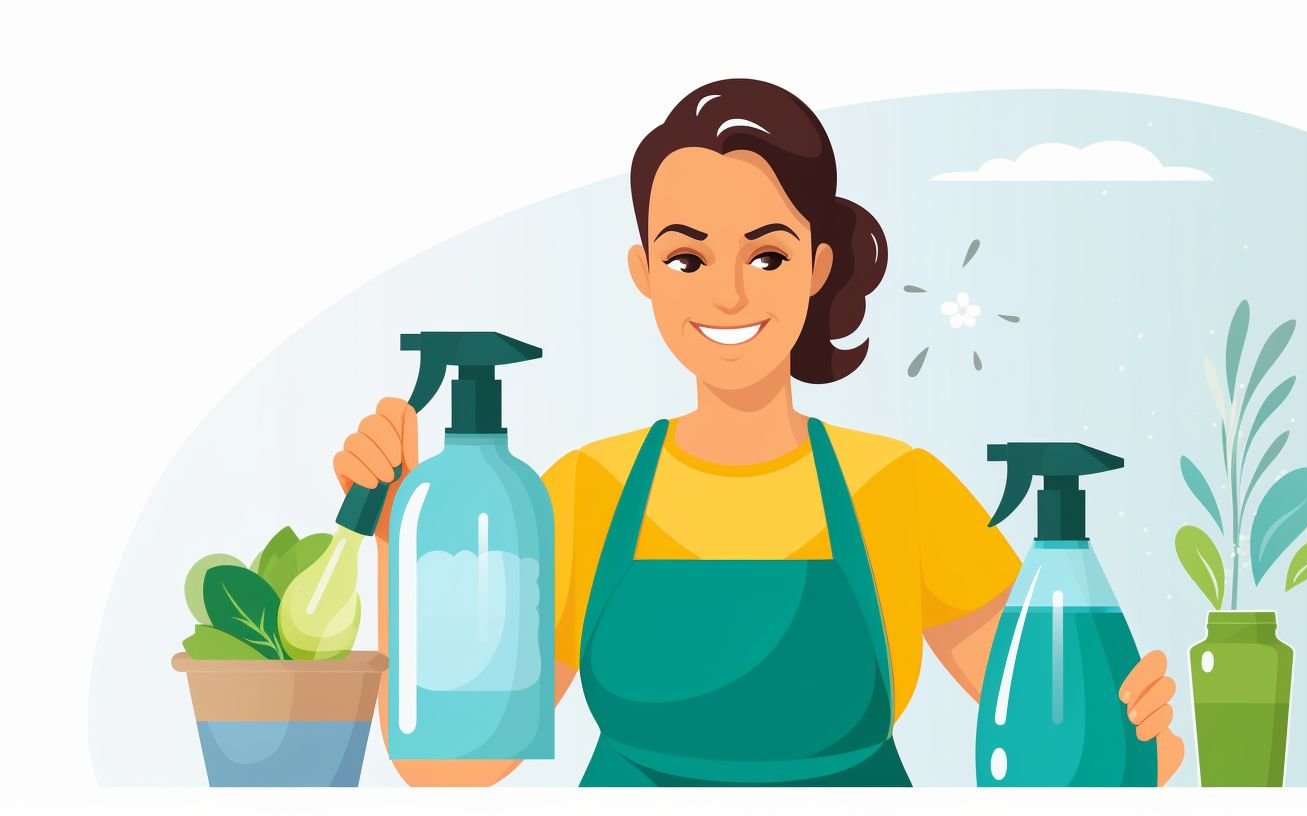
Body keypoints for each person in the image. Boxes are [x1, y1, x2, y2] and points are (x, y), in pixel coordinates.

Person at [333, 78, 1185, 787]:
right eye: (687, 259)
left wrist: (1143, 743)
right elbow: (451, 770)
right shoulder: (582, 491)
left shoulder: (901, 489)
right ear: (643, 274)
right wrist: (405, 527)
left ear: (818, 264)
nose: (729, 295)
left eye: (768, 255)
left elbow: (1060, 752)